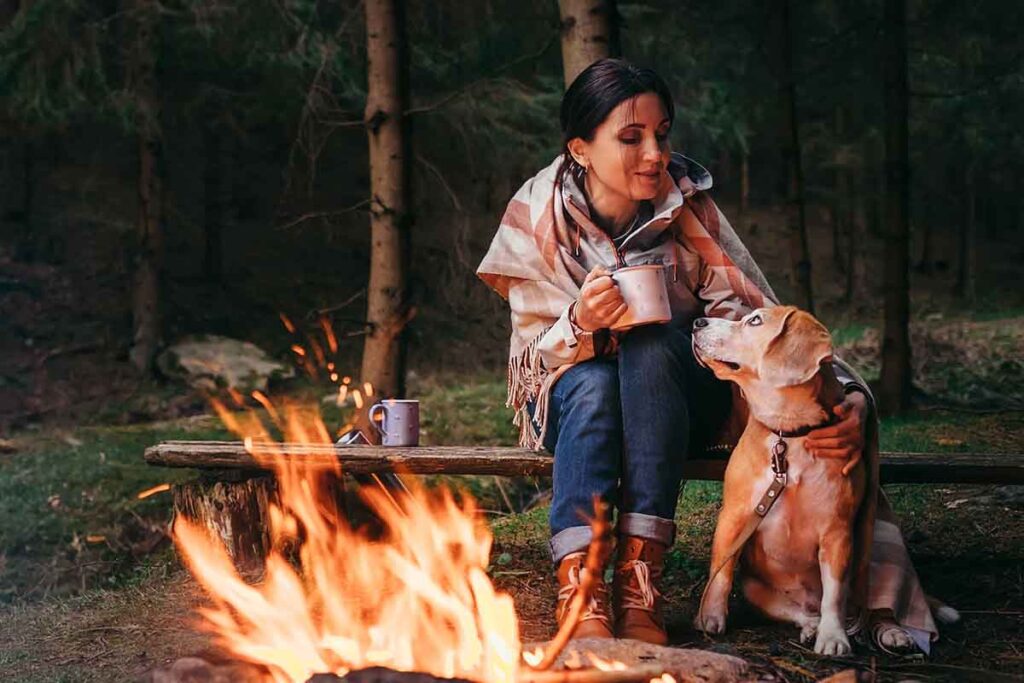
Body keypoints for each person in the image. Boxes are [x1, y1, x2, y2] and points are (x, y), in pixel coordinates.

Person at [476, 58, 939, 652]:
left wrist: (843, 399)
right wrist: (580, 322)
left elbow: (765, 326)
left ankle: (641, 579)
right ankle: (583, 586)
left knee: (654, 342)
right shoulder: (536, 215)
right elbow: (534, 365)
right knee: (593, 385)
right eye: (630, 138)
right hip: (572, 408)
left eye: (662, 134)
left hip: (674, 408)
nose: (655, 154)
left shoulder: (687, 208)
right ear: (581, 149)